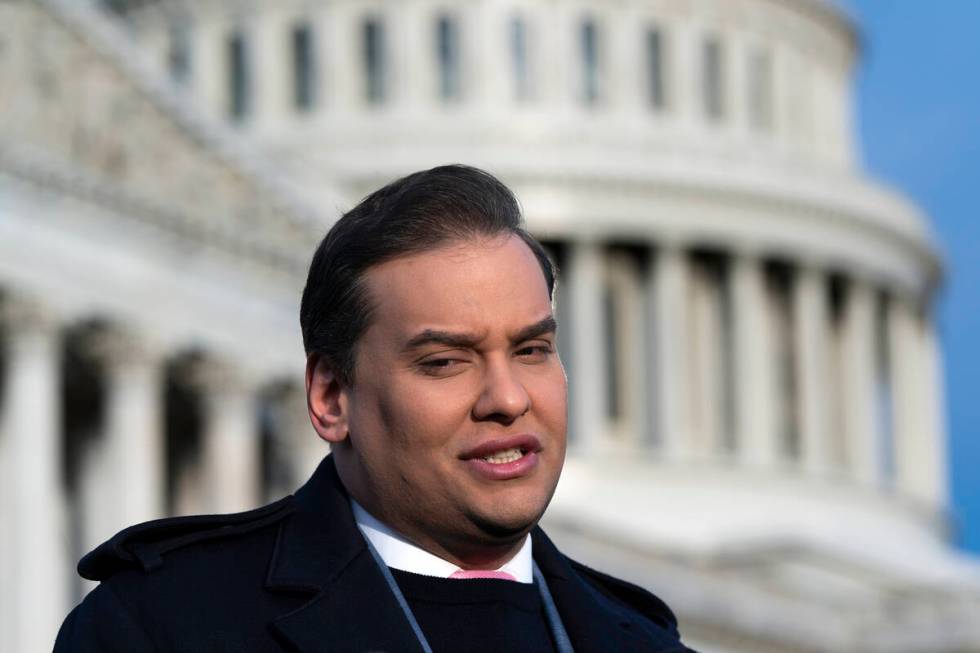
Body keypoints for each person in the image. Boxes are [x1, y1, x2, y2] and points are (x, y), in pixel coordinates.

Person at [55, 165, 694, 652]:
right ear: (332, 399)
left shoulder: (643, 641)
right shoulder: (161, 626)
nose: (507, 398)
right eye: (446, 361)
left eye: (531, 349)